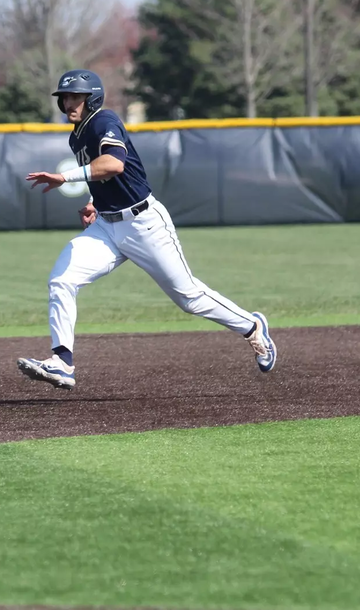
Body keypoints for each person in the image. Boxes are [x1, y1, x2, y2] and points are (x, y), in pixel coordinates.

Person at [17, 69, 276, 389]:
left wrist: (65, 177)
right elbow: (105, 178)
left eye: (76, 97)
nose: (69, 103)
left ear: (92, 98)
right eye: (65, 98)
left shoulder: (103, 120)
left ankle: (251, 327)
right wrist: (94, 201)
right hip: (107, 228)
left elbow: (114, 164)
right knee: (61, 280)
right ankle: (62, 362)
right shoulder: (77, 135)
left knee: (189, 298)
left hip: (144, 224)